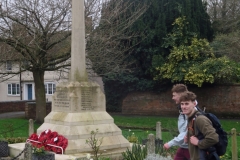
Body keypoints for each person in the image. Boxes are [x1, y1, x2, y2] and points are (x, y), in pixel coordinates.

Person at [180, 91, 219, 160]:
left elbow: (213, 138)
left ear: (194, 104)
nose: (183, 107)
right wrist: (188, 138)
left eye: (187, 104)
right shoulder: (191, 118)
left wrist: (198, 143)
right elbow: (198, 136)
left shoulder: (200, 119)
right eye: (182, 104)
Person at [163, 84, 190, 160]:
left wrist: (169, 144)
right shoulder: (182, 111)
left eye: (174, 95)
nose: (173, 98)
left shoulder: (191, 111)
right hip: (184, 146)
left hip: (192, 148)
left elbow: (187, 132)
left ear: (181, 95)